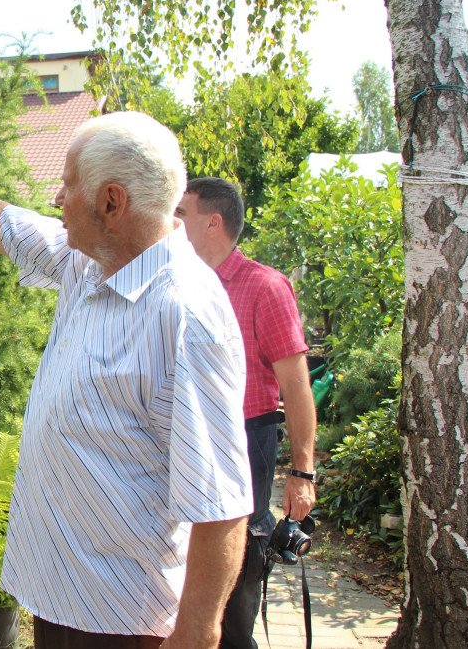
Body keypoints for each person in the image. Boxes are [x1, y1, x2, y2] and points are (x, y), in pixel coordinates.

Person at [0, 111, 253, 649]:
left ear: (112, 202)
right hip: (59, 601)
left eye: (68, 184)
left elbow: (221, 504)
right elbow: (1, 221)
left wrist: (198, 634)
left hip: (124, 623)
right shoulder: (88, 263)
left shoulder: (186, 316)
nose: (56, 198)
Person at [174, 177, 317, 649]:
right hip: (182, 433)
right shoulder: (175, 281)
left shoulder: (264, 287)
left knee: (234, 590)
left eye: (182, 213)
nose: (172, 222)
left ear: (213, 222)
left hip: (245, 437)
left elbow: (296, 386)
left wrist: (302, 471)